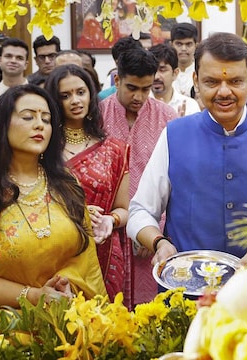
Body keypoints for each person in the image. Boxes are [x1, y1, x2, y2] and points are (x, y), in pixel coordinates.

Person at [127, 32, 247, 268]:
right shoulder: (175, 135)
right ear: (196, 81)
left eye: (235, 81)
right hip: (186, 289)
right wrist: (159, 242)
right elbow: (140, 210)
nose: (224, 92)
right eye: (212, 82)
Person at [0, 84, 106, 307]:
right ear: (2, 125)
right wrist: (32, 295)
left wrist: (66, 286)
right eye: (28, 117)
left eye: (46, 119)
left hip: (70, 321)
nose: (39, 125)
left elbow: (87, 263)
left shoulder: (66, 184)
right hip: (7, 327)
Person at [45, 64, 132, 304]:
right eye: (65, 95)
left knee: (105, 328)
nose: (75, 100)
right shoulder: (43, 150)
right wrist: (75, 214)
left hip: (103, 251)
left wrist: (109, 220)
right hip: (55, 250)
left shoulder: (115, 149)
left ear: (91, 95)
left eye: (80, 92)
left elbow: (124, 209)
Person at [100, 47, 177, 305]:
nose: (139, 96)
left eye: (146, 89)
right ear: (117, 80)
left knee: (150, 310)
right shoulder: (98, 117)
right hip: (107, 231)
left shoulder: (168, 118)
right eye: (132, 87)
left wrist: (153, 230)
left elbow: (173, 179)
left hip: (153, 233)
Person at [149, 44, 201, 116]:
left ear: (175, 73)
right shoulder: (140, 104)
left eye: (162, 70)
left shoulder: (190, 106)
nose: (156, 77)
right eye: (153, 71)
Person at [0, 38, 29, 107]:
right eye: (8, 56)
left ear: (26, 65)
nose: (13, 61)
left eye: (19, 58)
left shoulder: (35, 94)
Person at [171, 23, 199, 98]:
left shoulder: (201, 72)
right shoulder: (165, 72)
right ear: (171, 45)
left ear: (196, 46)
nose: (183, 49)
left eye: (188, 44)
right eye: (179, 44)